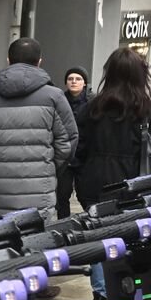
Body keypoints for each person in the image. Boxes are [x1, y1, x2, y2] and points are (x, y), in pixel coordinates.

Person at [0, 37, 76, 300]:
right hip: (39, 188)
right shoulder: (54, 97)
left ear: (8, 61)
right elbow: (68, 141)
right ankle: (35, 287)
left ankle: (3, 289)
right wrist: (49, 168)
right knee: (35, 238)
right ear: (39, 62)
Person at [73, 47, 151, 300]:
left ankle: (101, 295)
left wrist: (79, 179)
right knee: (132, 236)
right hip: (134, 185)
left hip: (95, 183)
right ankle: (130, 288)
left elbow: (77, 150)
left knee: (100, 238)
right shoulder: (148, 111)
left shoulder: (91, 109)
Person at [58, 66, 92, 219]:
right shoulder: (59, 100)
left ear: (84, 83)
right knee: (62, 196)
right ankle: (63, 226)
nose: (74, 82)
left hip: (85, 156)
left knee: (85, 195)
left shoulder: (93, 101)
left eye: (78, 79)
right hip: (65, 155)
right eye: (70, 79)